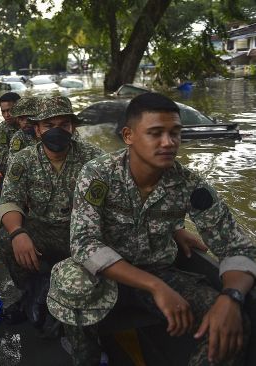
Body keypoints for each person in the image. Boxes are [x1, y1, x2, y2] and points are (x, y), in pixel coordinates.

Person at [49, 92, 256, 366]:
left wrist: (231, 297)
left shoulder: (189, 185)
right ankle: (86, 354)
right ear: (128, 136)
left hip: (160, 272)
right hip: (107, 276)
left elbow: (239, 247)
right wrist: (155, 286)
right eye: (156, 133)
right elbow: (85, 243)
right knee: (70, 282)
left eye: (175, 133)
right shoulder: (98, 173)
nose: (169, 143)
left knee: (233, 323)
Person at [0, 96, 105, 333]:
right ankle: (34, 289)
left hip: (83, 234)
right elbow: (8, 201)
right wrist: (18, 232)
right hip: (42, 230)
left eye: (64, 125)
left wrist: (176, 229)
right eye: (48, 126)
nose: (57, 131)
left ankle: (69, 300)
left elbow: (120, 197)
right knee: (5, 239)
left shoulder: (94, 157)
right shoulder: (24, 159)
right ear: (37, 130)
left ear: (72, 128)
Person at [0, 92, 21, 174]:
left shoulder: (33, 124)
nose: (6, 115)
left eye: (9, 110)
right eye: (3, 112)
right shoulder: (2, 130)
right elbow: (5, 158)